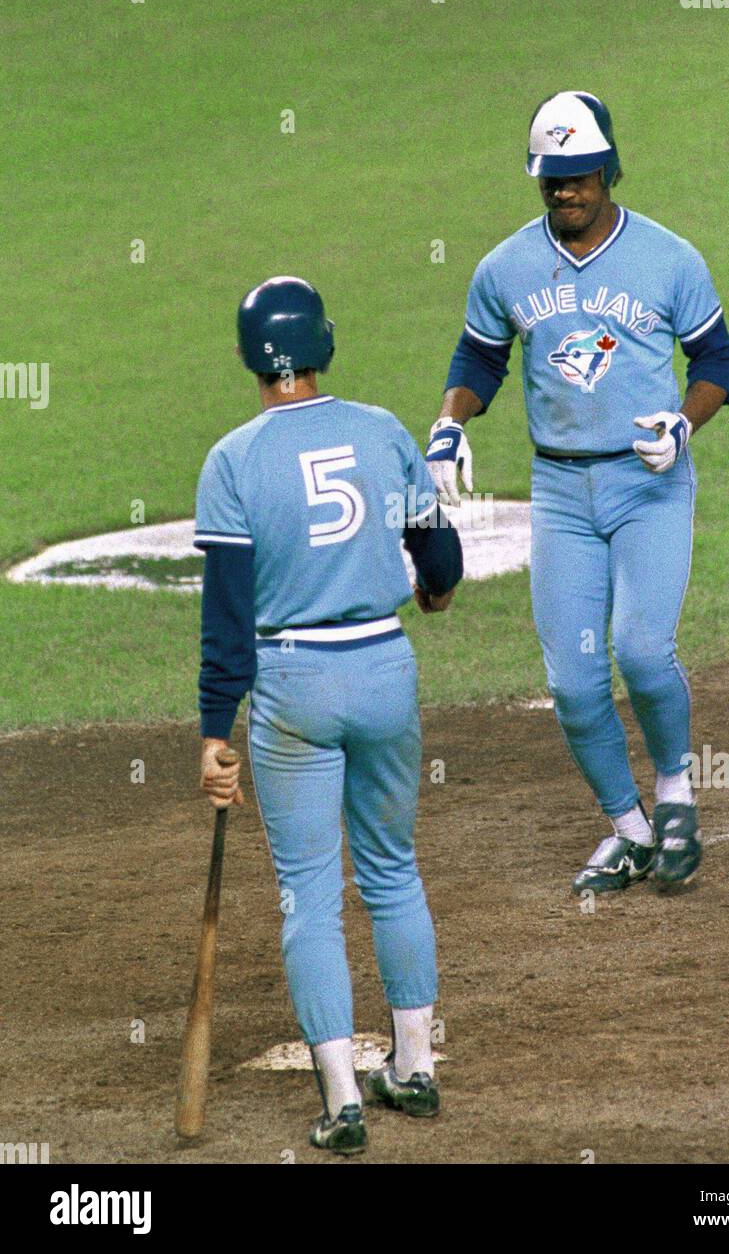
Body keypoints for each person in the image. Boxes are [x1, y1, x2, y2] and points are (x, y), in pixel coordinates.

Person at [426, 90, 729, 895]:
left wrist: (682, 424)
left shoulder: (669, 258)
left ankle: (674, 789)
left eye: (577, 176)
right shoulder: (506, 267)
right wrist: (450, 424)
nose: (565, 192)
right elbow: (480, 361)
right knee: (571, 680)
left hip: (649, 483)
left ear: (607, 170)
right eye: (550, 180)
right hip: (559, 491)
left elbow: (717, 365)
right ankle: (628, 829)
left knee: (640, 648)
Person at [195, 276, 463, 1153]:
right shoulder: (381, 430)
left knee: (309, 892)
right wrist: (432, 589)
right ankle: (415, 1069)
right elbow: (442, 557)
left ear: (250, 358)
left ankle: (344, 1101)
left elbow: (228, 621)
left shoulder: (233, 460)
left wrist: (213, 733)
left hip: (293, 684)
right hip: (384, 668)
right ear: (324, 344)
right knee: (392, 869)